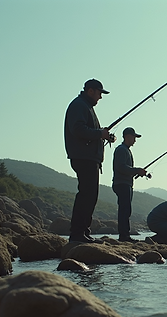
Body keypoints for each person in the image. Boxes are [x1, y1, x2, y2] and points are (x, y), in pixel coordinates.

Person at [64, 78, 115, 243]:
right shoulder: (79, 105)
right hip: (83, 157)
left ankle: (83, 233)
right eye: (99, 93)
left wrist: (104, 136)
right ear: (90, 91)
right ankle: (77, 234)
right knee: (86, 195)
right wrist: (100, 134)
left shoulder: (85, 106)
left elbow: (89, 131)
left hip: (88, 157)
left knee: (90, 195)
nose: (100, 97)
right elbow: (78, 129)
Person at [112, 127, 148, 242]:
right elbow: (121, 167)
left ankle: (124, 235)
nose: (135, 140)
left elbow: (125, 169)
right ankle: (124, 236)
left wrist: (137, 172)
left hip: (124, 183)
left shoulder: (125, 149)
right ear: (127, 136)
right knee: (124, 210)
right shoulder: (122, 150)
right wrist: (137, 170)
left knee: (125, 210)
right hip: (122, 184)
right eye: (134, 137)